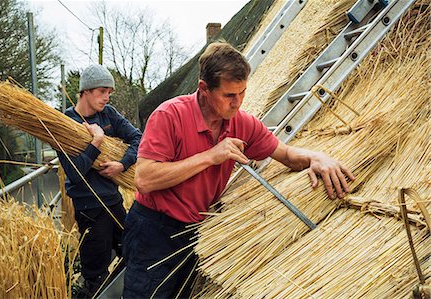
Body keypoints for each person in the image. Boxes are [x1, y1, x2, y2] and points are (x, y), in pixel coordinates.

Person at [122, 41, 355, 298]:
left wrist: (317, 157)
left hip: (194, 231)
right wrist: (211, 156)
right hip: (154, 229)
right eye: (229, 95)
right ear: (204, 89)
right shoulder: (169, 116)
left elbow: (286, 154)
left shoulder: (242, 123)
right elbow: (144, 179)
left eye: (243, 92)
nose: (238, 103)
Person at [57, 64, 141, 297]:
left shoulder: (109, 115)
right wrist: (96, 142)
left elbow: (138, 139)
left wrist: (122, 164)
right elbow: (74, 173)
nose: (106, 97)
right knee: (96, 272)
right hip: (90, 209)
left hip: (113, 200)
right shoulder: (64, 123)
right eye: (102, 91)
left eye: (109, 92)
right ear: (86, 90)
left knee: (133, 251)